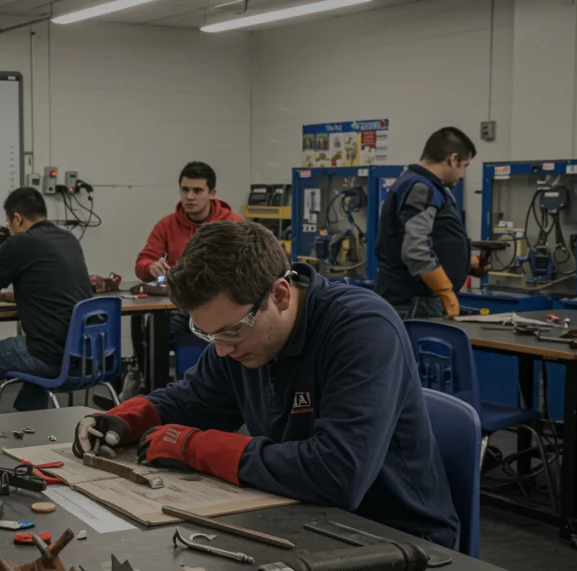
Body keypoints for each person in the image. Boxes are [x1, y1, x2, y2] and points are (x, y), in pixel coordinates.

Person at [73, 221, 460, 547]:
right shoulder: (243, 336)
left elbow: (338, 474)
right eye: (208, 335)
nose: (222, 351)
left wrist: (195, 446)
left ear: (280, 294)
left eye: (230, 331)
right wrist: (125, 418)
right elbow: (194, 400)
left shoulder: (363, 330)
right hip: (301, 517)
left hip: (395, 539)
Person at [0, 187, 92, 416]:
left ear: (17, 219)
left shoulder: (20, 244)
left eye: (9, 224)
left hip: (50, 356)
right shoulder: (68, 239)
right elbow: (51, 286)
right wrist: (10, 296)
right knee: (39, 345)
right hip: (84, 355)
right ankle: (30, 423)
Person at [129, 162, 243, 384]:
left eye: (197, 191)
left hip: (222, 307)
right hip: (181, 306)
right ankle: (150, 384)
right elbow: (142, 263)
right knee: (144, 325)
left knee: (162, 329)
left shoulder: (233, 225)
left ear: (212, 193)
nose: (190, 197)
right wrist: (150, 266)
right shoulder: (167, 225)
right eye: (185, 190)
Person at [375, 127, 484, 319]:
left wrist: (465, 263)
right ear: (452, 159)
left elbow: (432, 241)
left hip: (413, 301)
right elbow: (416, 250)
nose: (463, 175)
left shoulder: (418, 184)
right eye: (464, 166)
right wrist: (447, 293)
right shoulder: (421, 188)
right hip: (414, 304)